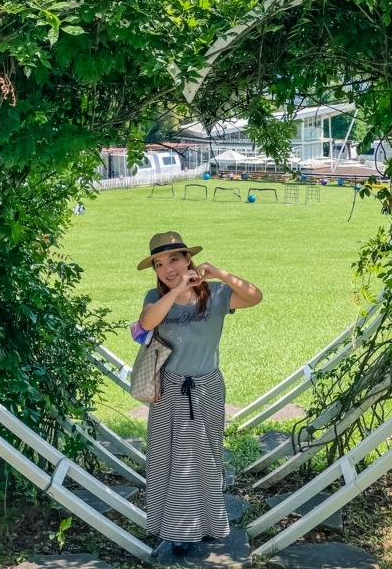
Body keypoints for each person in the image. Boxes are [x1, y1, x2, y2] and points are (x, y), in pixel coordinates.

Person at [131, 231, 263, 556]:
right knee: (169, 461)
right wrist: (175, 290)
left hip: (207, 390)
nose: (167, 268)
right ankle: (176, 530)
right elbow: (146, 323)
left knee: (205, 460)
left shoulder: (216, 295)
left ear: (188, 259)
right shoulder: (155, 297)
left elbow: (254, 296)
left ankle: (205, 525)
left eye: (174, 259)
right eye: (159, 264)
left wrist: (220, 273)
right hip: (169, 391)